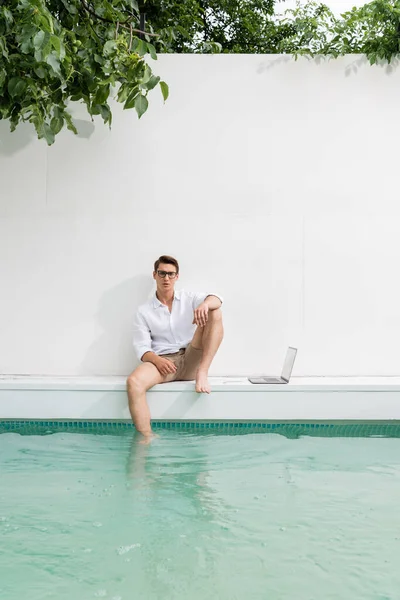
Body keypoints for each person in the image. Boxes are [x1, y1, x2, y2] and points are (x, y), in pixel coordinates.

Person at [127, 255, 223, 438]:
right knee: (133, 382)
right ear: (154, 275)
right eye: (162, 274)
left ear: (177, 277)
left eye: (171, 274)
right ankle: (147, 438)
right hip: (164, 362)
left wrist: (204, 304)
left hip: (193, 356)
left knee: (215, 312)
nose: (166, 279)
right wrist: (157, 360)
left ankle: (202, 373)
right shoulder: (144, 311)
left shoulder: (188, 298)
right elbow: (141, 347)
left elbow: (218, 299)